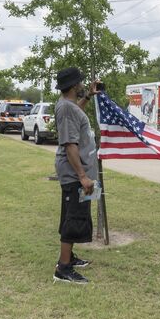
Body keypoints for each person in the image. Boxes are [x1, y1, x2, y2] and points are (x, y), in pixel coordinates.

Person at [53, 67, 99, 284]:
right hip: (74, 174)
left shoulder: (69, 106)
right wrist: (82, 176)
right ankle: (63, 269)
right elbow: (70, 144)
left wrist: (88, 96)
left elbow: (76, 116)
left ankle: (68, 257)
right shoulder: (66, 108)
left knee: (74, 214)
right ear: (73, 86)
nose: (82, 85)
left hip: (77, 172)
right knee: (74, 217)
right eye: (80, 83)